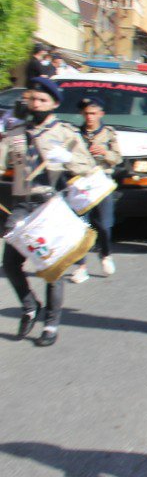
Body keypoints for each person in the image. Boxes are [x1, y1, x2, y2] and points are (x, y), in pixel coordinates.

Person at [0, 78, 96, 346]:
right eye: (32, 99)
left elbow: (87, 167)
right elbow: (4, 160)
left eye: (42, 100)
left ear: (54, 104)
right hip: (21, 204)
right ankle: (30, 306)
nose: (36, 104)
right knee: (10, 264)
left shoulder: (64, 133)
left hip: (50, 205)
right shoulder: (18, 130)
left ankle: (51, 324)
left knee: (52, 268)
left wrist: (67, 159)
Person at [65, 96, 122, 283]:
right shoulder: (75, 134)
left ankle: (105, 253)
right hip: (80, 183)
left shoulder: (109, 133)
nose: (89, 117)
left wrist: (105, 152)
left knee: (104, 225)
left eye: (93, 113)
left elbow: (118, 158)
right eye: (86, 113)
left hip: (101, 184)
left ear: (101, 114)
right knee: (80, 227)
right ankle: (81, 266)